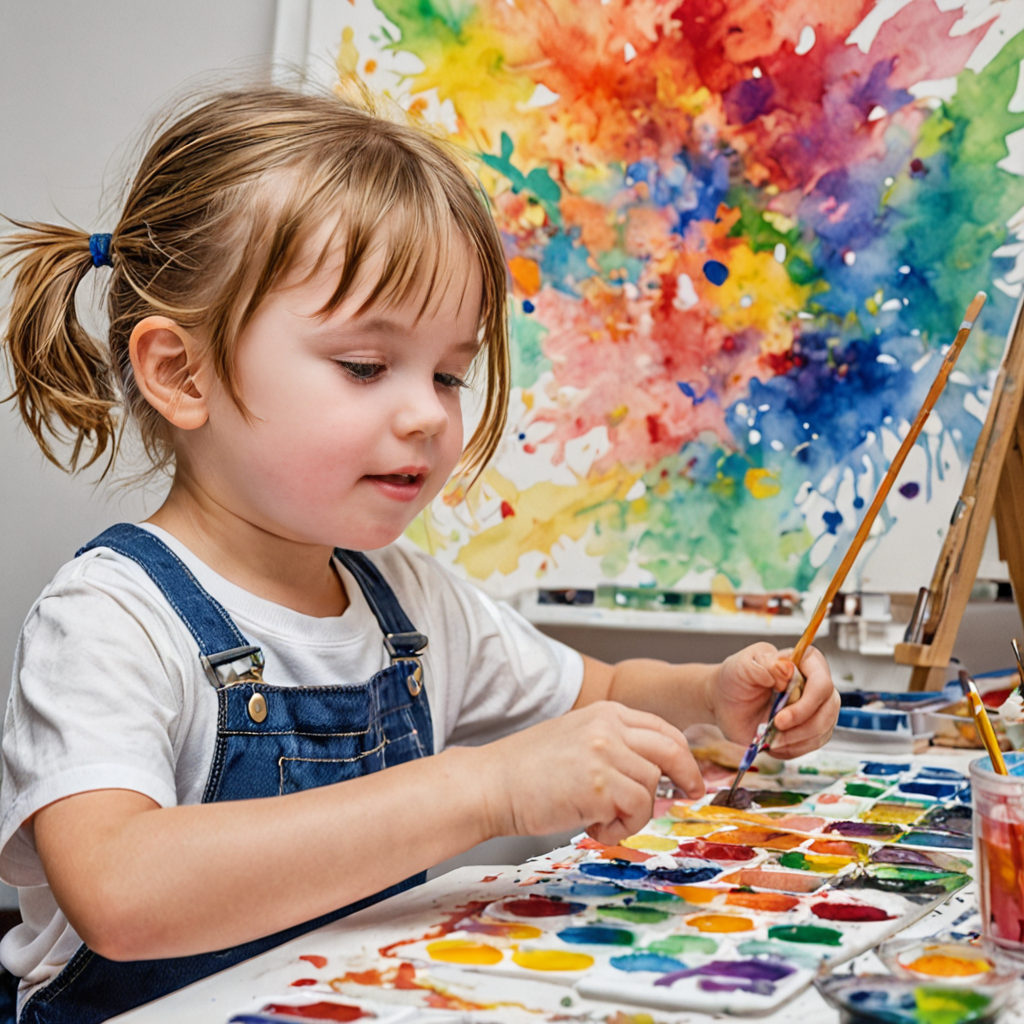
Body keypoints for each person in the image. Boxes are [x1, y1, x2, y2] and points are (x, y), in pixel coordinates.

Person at [0, 85, 839, 1023]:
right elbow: (121, 893)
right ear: (180, 372)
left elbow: (594, 695)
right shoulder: (111, 617)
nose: (428, 413)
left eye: (449, 372)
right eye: (366, 366)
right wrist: (480, 786)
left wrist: (706, 694)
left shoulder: (410, 603)